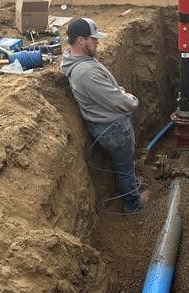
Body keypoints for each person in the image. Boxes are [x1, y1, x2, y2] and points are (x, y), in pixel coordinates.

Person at [60, 17, 146, 215]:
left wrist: (119, 92)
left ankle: (130, 186)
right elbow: (117, 100)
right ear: (81, 40)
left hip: (106, 125)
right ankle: (133, 205)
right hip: (114, 128)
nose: (97, 43)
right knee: (124, 165)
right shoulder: (86, 72)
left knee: (122, 164)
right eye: (94, 39)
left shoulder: (78, 61)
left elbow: (109, 91)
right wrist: (132, 100)